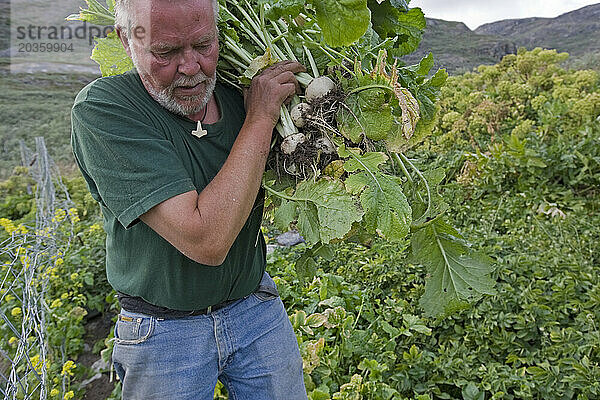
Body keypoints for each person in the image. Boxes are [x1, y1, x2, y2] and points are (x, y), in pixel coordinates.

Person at [70, 0, 308, 398]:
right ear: (125, 41)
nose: (192, 67)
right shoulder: (106, 109)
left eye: (204, 44)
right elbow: (206, 240)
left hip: (255, 309)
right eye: (166, 52)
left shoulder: (238, 93)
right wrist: (262, 117)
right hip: (163, 333)